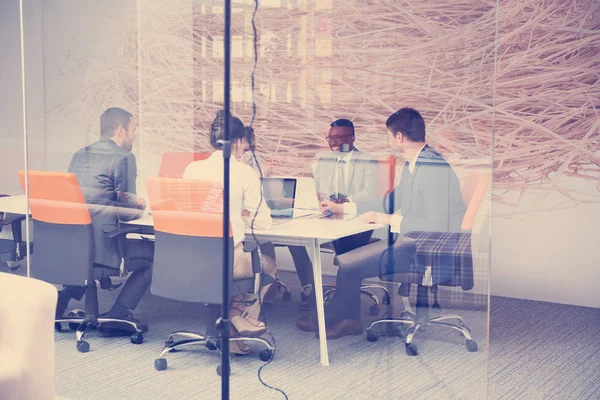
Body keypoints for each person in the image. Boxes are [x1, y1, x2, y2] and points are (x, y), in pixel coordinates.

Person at [297, 108, 466, 339]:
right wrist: (344, 208)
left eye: (388, 135)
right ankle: (342, 317)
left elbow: (435, 224)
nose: (388, 140)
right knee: (350, 259)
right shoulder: (416, 163)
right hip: (412, 241)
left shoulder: (431, 168)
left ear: (399, 137)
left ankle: (342, 319)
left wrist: (387, 219)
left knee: (350, 265)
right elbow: (390, 201)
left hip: (426, 248)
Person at [183, 110, 278, 354]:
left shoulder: (192, 169)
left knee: (249, 258)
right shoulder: (243, 171)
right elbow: (264, 223)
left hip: (191, 257)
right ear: (237, 142)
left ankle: (236, 318)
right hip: (228, 259)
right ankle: (239, 317)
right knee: (268, 264)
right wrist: (239, 217)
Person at [59, 107, 154, 333]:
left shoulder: (79, 155)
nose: (134, 136)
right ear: (121, 130)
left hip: (73, 245)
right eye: (133, 130)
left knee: (88, 258)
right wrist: (141, 205)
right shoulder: (124, 157)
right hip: (104, 244)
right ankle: (117, 315)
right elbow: (126, 212)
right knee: (154, 254)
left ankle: (69, 291)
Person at [291, 119, 378, 312]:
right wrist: (324, 202)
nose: (333, 142)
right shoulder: (324, 160)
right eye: (330, 138)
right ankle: (310, 289)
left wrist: (345, 201)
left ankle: (343, 302)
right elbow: (319, 189)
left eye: (338, 138)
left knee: (347, 244)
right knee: (294, 240)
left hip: (356, 220)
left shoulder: (367, 160)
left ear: (352, 138)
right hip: (329, 217)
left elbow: (370, 195)